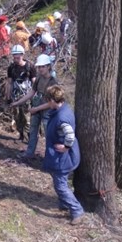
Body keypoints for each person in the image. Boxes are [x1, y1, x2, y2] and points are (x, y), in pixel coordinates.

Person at [42, 85, 84, 225]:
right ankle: (64, 203)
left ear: (53, 100)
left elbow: (70, 136)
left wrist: (66, 146)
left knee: (60, 185)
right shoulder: (62, 110)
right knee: (60, 180)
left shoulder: (62, 117)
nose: (47, 103)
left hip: (63, 158)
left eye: (48, 100)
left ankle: (76, 210)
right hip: (60, 156)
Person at [10, 54, 57, 160]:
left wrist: (36, 109)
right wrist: (18, 103)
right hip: (36, 106)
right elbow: (32, 92)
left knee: (49, 135)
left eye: (43, 66)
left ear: (48, 66)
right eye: (39, 67)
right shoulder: (39, 78)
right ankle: (29, 153)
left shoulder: (53, 82)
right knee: (32, 131)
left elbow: (51, 103)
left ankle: (50, 157)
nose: (40, 69)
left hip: (47, 111)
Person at [5, 45, 37, 141]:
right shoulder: (11, 67)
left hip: (27, 96)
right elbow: (9, 82)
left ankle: (29, 138)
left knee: (27, 118)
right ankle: (21, 135)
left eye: (18, 57)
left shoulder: (30, 66)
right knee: (17, 117)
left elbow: (34, 81)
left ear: (22, 55)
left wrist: (35, 96)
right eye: (14, 57)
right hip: (15, 96)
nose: (16, 59)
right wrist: (8, 96)